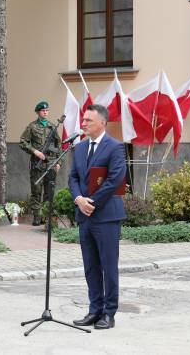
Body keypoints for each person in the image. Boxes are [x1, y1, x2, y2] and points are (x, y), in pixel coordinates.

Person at [69, 104, 126, 330]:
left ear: (102, 122)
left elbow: (115, 179)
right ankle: (94, 310)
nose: (83, 124)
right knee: (91, 266)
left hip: (106, 216)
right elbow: (73, 178)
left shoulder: (115, 147)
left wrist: (91, 202)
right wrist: (79, 200)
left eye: (88, 120)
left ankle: (109, 313)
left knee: (108, 266)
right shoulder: (80, 148)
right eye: (83, 120)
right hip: (85, 215)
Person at [19, 101, 61, 226]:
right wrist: (35, 151)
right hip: (37, 164)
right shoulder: (32, 127)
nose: (45, 112)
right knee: (36, 191)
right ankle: (37, 217)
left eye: (47, 110)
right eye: (43, 111)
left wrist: (59, 163)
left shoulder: (53, 127)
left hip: (51, 163)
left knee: (49, 191)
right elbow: (23, 142)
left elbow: (58, 145)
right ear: (38, 112)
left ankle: (47, 217)